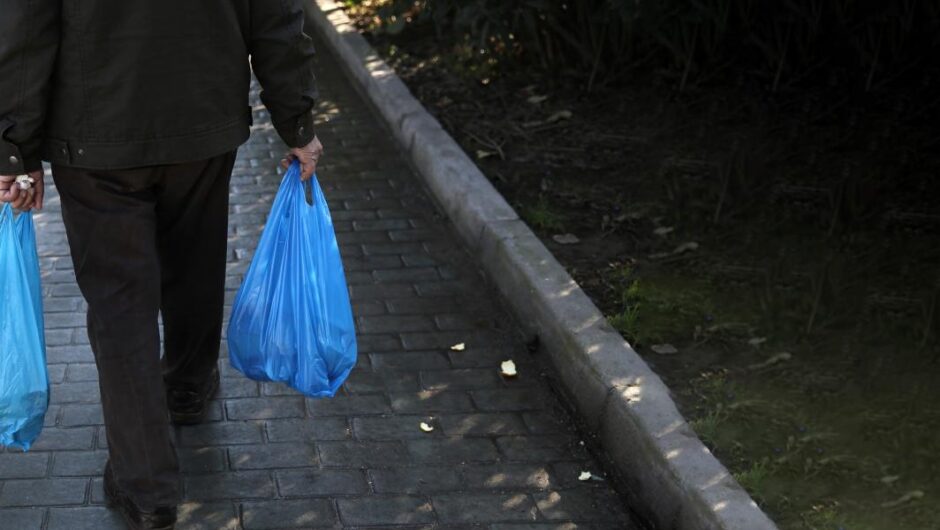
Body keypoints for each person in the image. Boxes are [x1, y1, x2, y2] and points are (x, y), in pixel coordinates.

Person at [0, 1, 324, 528]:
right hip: (203, 118)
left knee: (120, 303)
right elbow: (275, 17)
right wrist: (297, 120)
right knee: (195, 259)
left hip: (94, 134)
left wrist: (13, 150)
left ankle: (146, 485)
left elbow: (25, 27)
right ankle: (188, 387)